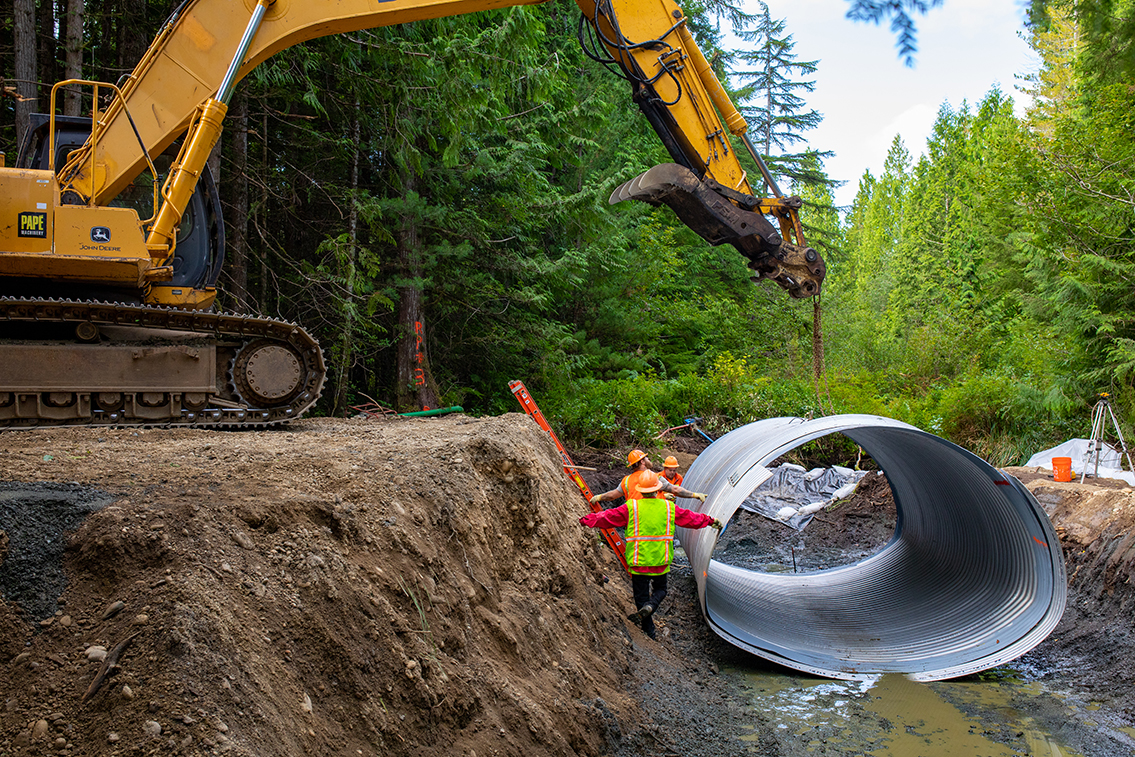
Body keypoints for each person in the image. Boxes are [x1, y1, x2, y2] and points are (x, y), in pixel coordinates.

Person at [580, 474, 722, 639]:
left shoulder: (631, 507)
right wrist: (710, 521)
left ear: (640, 490)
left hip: (638, 561)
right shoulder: (668, 507)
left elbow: (607, 517)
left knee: (640, 597)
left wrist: (586, 520)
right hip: (660, 561)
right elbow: (691, 518)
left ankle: (650, 632)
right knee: (661, 590)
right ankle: (652, 605)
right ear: (658, 489)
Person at [590, 449, 704, 506]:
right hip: (652, 521)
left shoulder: (626, 481)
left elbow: (612, 495)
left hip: (634, 525)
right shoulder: (653, 478)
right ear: (642, 462)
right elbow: (675, 489)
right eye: (646, 458)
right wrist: (694, 495)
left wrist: (599, 497)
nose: (649, 460)